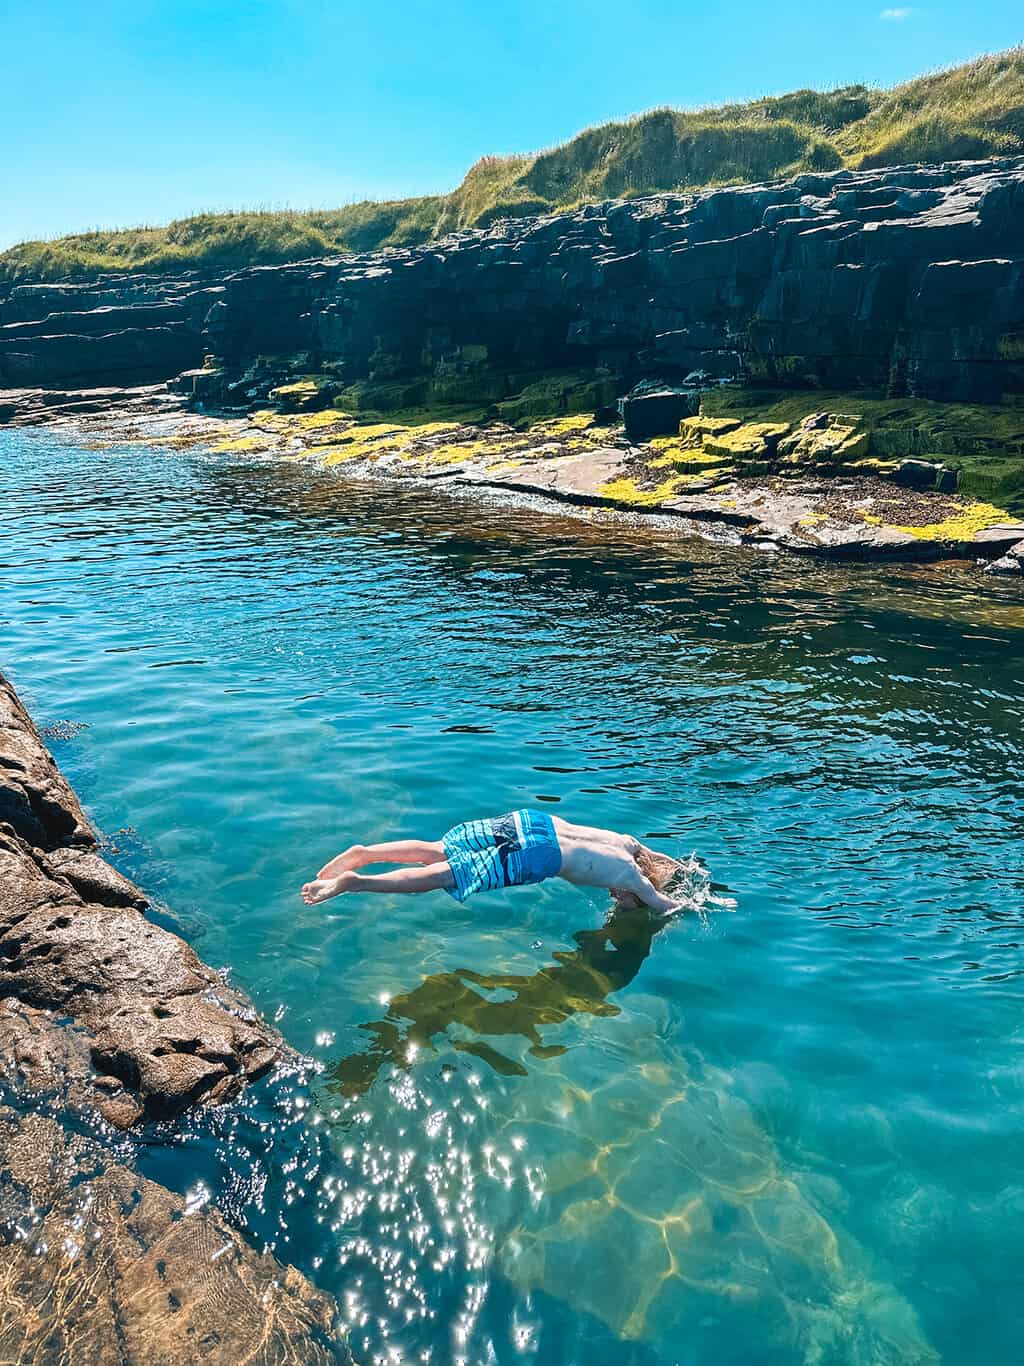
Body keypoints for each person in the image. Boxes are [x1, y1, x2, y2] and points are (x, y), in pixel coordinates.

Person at [300, 809, 684, 913]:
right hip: (539, 855)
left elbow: (659, 857)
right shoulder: (635, 880)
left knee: (440, 848)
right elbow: (667, 905)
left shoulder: (629, 845)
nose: (618, 901)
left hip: (533, 821)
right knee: (446, 875)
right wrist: (690, 902)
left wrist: (685, 869)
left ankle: (366, 853)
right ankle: (356, 881)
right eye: (624, 900)